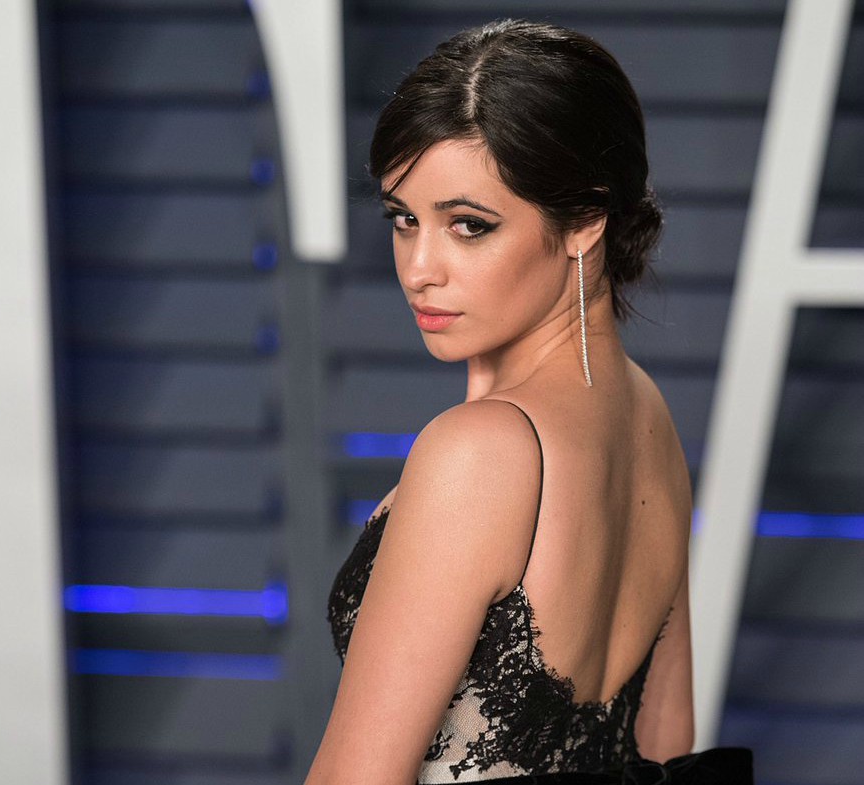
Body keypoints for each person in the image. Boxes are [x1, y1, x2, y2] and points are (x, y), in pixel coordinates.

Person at [309, 19, 753, 785]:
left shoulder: (475, 451)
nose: (418, 267)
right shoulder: (647, 416)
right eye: (404, 219)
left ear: (584, 219)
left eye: (468, 226)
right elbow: (664, 741)